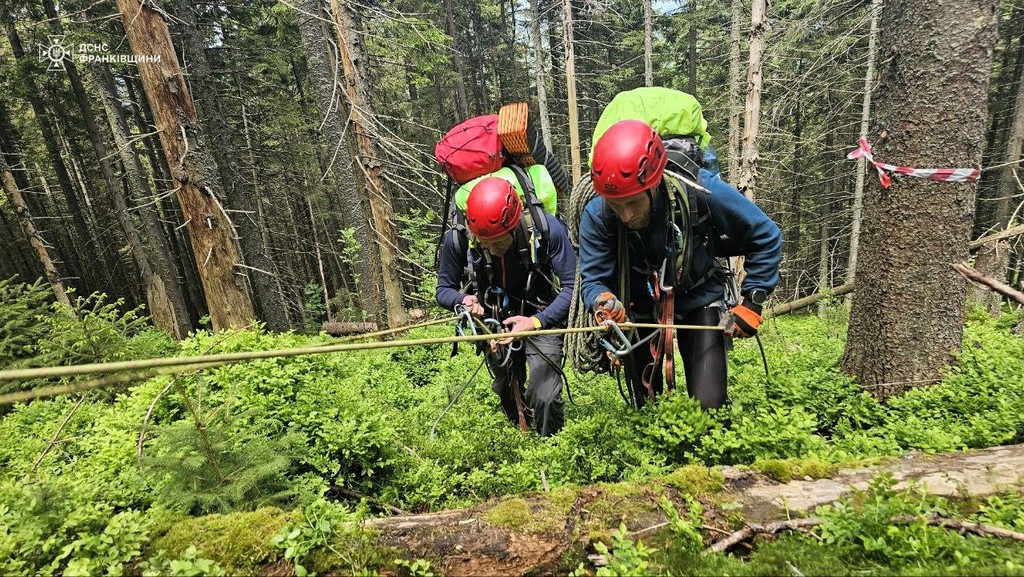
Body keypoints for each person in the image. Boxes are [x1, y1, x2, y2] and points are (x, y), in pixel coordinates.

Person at [578, 105, 782, 411]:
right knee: (645, 407)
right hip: (637, 310)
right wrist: (602, 299)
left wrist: (752, 301)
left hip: (699, 299)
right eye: (616, 204)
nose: (626, 214)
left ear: (655, 183)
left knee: (710, 406)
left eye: (633, 202)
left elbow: (765, 233)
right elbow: (593, 277)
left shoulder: (701, 191)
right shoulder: (597, 215)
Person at [436, 176, 577, 436]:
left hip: (540, 315)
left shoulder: (546, 229)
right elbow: (443, 290)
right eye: (485, 243)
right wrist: (463, 300)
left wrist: (536, 322)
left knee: (544, 394)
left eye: (500, 241)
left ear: (515, 226)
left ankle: (552, 445)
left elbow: (573, 287)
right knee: (506, 389)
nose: (493, 248)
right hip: (493, 322)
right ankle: (521, 432)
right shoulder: (458, 239)